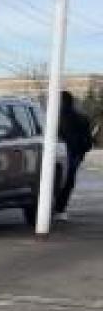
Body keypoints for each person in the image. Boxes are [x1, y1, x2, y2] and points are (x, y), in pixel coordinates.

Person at [54, 90, 93, 221]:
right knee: (68, 181)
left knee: (60, 180)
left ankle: (57, 208)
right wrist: (82, 150)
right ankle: (60, 208)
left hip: (63, 152)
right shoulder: (81, 118)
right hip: (74, 153)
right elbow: (88, 140)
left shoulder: (54, 117)